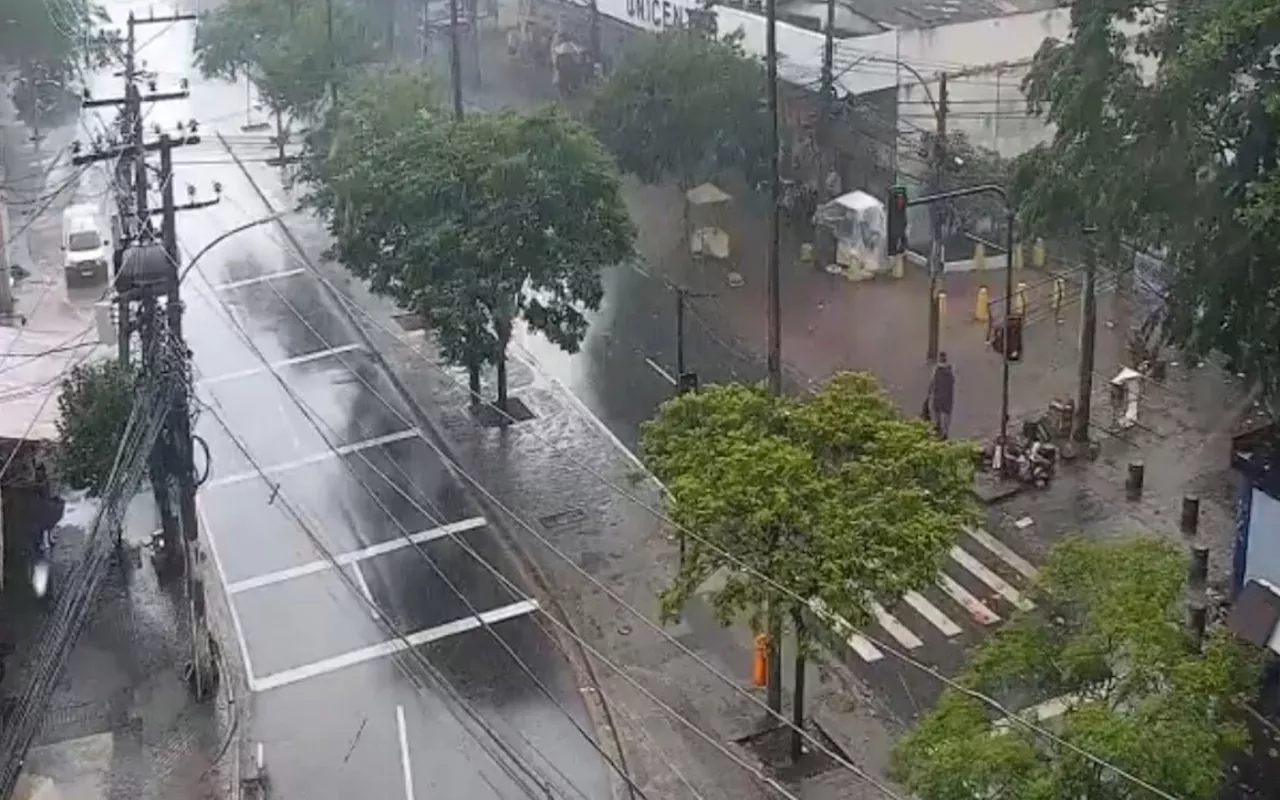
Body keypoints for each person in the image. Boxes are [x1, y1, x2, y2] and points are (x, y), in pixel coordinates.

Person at [927, 352, 955, 439]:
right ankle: (946, 432)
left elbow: (932, 382)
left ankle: (938, 425)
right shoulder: (949, 371)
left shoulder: (936, 370)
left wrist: (930, 392)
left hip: (938, 395)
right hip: (947, 396)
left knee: (937, 411)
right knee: (947, 414)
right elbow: (952, 382)